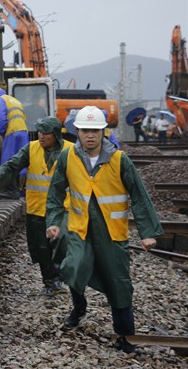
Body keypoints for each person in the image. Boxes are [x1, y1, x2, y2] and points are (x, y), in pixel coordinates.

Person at [45, 105, 163, 354]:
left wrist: (148, 233)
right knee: (73, 267)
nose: (90, 135)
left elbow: (139, 196)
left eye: (95, 131)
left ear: (104, 132)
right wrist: (54, 222)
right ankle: (78, 308)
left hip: (112, 233)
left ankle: (124, 336)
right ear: (76, 131)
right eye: (85, 130)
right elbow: (55, 193)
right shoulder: (69, 157)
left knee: (119, 283)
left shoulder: (120, 160)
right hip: (80, 228)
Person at [0, 117, 72, 296]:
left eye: (45, 132)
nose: (40, 136)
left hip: (63, 209)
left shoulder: (71, 150)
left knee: (62, 243)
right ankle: (50, 282)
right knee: (41, 248)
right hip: (36, 208)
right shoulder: (31, 149)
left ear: (55, 134)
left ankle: (58, 278)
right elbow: (11, 165)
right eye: (39, 132)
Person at [0, 86, 29, 199]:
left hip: (12, 132)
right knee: (22, 161)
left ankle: (10, 191)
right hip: (23, 131)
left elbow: (1, 119)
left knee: (8, 160)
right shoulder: (14, 100)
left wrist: (2, 132)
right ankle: (20, 190)